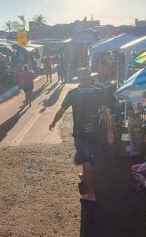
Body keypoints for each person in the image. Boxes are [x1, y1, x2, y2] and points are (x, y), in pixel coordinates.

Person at [49, 68, 114, 202]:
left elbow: (62, 110)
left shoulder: (72, 93)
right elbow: (105, 112)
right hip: (96, 132)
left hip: (80, 134)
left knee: (87, 163)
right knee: (90, 159)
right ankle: (85, 177)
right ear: (90, 79)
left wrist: (54, 122)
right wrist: (109, 130)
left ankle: (91, 193)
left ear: (79, 80)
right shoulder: (98, 92)